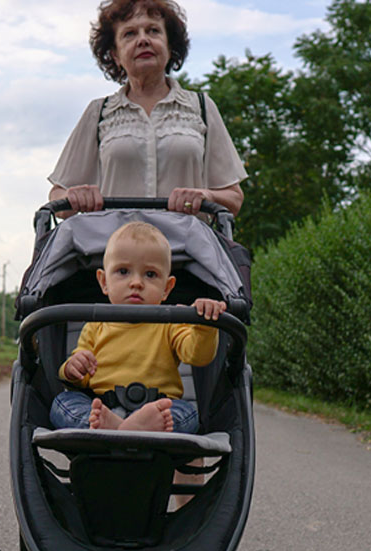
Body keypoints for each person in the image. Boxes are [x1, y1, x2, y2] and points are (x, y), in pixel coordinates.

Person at [48, 0, 247, 219]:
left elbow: (234, 199)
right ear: (115, 54)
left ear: (170, 47)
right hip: (113, 249)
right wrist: (76, 196)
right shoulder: (98, 113)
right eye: (129, 34)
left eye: (153, 31)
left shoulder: (201, 107)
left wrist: (206, 196)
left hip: (188, 248)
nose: (143, 40)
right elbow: (57, 197)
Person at [50, 221, 226, 433]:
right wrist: (72, 368)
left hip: (156, 409)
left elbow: (198, 357)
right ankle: (114, 425)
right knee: (63, 402)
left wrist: (203, 325)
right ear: (103, 281)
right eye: (123, 271)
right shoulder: (95, 324)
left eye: (150, 274)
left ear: (167, 288)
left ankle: (117, 428)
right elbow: (83, 376)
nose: (136, 283)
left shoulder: (171, 322)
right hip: (103, 407)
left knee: (186, 413)